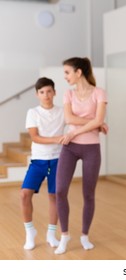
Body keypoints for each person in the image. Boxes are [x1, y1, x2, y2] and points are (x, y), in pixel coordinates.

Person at [54, 57, 108, 255]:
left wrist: (75, 131)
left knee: (88, 194)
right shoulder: (68, 94)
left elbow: (99, 120)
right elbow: (68, 118)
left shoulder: (99, 93)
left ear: (78, 72)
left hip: (91, 147)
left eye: (67, 72)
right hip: (70, 148)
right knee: (60, 191)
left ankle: (84, 235)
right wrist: (94, 122)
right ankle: (65, 236)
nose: (65, 77)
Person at [20, 77, 65, 250]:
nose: (46, 95)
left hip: (58, 160)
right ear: (37, 94)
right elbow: (35, 137)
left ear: (54, 92)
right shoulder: (33, 112)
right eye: (42, 92)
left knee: (54, 196)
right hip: (38, 160)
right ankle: (30, 232)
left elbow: (75, 122)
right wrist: (56, 139)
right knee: (24, 194)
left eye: (48, 91)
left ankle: (51, 234)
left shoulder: (62, 111)